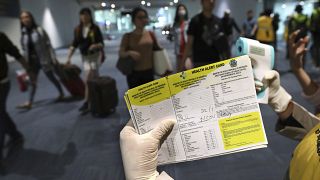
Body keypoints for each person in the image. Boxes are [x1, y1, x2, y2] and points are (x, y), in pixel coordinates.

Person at [18, 11, 64, 109]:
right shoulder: (23, 33)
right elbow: (24, 48)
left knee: (51, 78)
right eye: (22, 18)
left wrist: (53, 57)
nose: (25, 19)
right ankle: (29, 102)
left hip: (43, 59)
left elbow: (48, 44)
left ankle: (61, 93)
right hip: (32, 62)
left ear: (31, 18)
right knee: (32, 81)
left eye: (27, 17)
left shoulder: (39, 30)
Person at [0, 32, 31, 175]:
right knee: (1, 113)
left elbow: (15, 53)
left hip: (1, 83)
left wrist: (29, 70)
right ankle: (14, 133)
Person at [66, 8, 104, 114]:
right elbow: (74, 44)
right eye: (82, 15)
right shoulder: (78, 29)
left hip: (95, 56)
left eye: (86, 15)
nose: (84, 17)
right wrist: (69, 57)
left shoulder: (95, 28)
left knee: (89, 77)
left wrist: (95, 45)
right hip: (85, 57)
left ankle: (88, 101)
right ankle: (94, 99)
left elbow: (102, 43)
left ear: (90, 16)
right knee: (93, 78)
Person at [119, 7, 161, 89]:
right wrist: (129, 53)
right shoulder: (128, 36)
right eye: (140, 17)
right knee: (136, 100)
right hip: (134, 73)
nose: (143, 20)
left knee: (150, 100)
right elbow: (121, 53)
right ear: (133, 20)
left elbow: (158, 49)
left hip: (149, 72)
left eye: (145, 17)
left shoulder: (150, 34)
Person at [182, 0, 229, 68]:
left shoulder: (219, 21)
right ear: (202, 2)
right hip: (199, 63)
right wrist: (183, 63)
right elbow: (189, 43)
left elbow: (224, 43)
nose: (211, 1)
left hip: (215, 62)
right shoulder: (195, 21)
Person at [171, 4, 189, 72]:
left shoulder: (188, 22)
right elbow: (173, 35)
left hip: (187, 50)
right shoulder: (175, 24)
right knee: (180, 71)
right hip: (179, 51)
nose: (181, 11)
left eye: (183, 9)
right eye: (180, 9)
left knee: (188, 69)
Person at [310, 1, 320, 67]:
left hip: (316, 34)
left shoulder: (314, 12)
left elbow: (311, 24)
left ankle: (317, 63)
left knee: (316, 48)